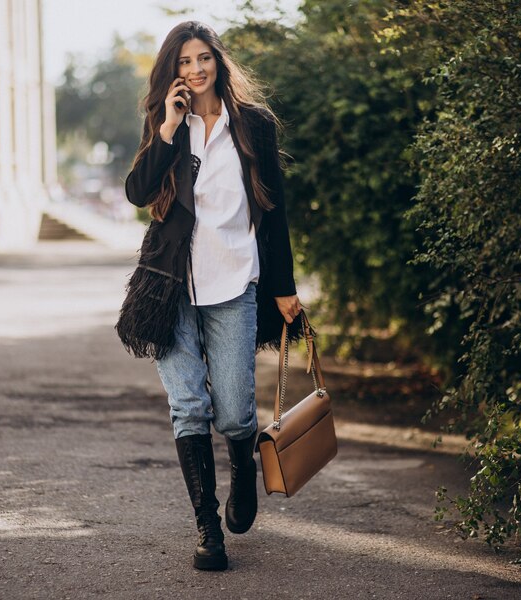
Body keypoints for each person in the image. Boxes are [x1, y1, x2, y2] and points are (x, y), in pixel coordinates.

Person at [115, 21, 303, 571]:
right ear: (172, 72)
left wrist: (284, 287)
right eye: (184, 62)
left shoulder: (254, 127)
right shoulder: (167, 124)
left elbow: (275, 211)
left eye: (203, 58)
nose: (195, 69)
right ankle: (207, 531)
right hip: (169, 287)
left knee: (236, 411)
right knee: (188, 407)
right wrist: (170, 128)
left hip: (234, 283)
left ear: (217, 61)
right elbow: (137, 193)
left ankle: (243, 469)